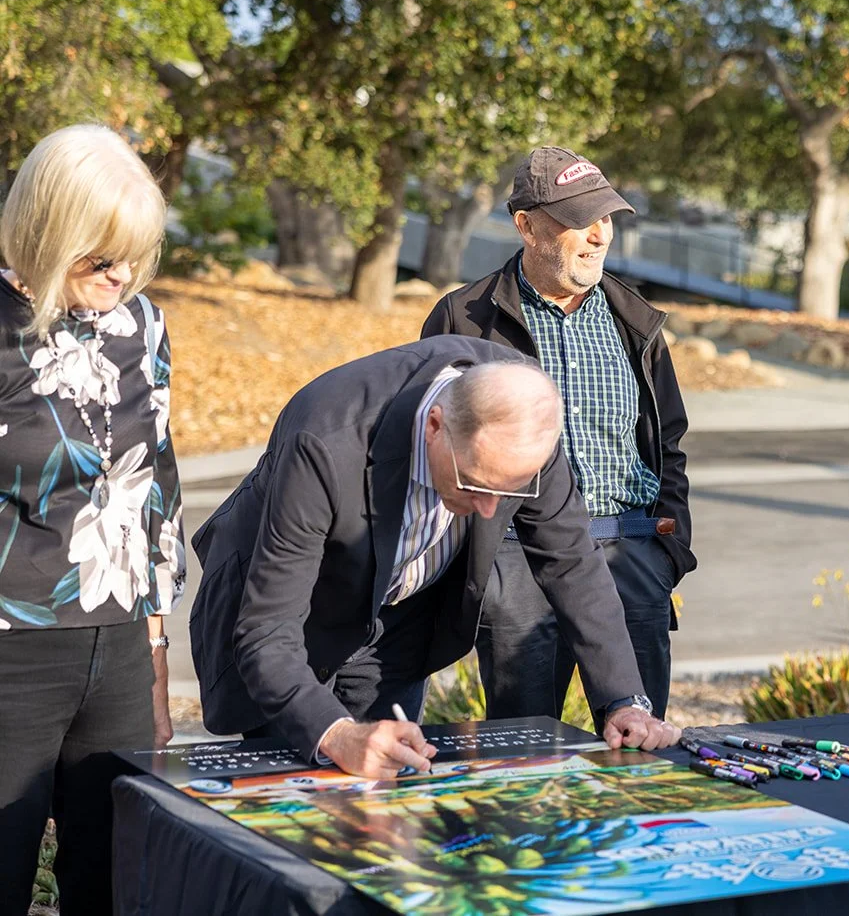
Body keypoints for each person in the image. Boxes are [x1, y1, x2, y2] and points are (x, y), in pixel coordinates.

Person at [189, 336, 679, 778]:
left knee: (390, 788)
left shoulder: (522, 427)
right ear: (436, 426)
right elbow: (269, 630)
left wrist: (624, 702)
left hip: (400, 622)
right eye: (476, 483)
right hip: (297, 614)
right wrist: (336, 734)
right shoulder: (327, 438)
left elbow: (572, 563)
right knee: (291, 794)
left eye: (507, 492)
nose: (491, 508)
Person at [421, 147, 693, 724]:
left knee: (639, 747)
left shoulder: (636, 321)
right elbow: (430, 440)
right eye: (579, 219)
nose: (598, 235)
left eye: (607, 217)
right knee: (522, 749)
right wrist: (482, 564)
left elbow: (669, 440)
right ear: (526, 226)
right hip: (516, 559)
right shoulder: (465, 316)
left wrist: (667, 551)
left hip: (630, 553)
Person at [0, 125, 185, 914]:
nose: (123, 276)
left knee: (113, 875)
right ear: (48, 233)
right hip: (10, 653)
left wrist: (153, 655)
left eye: (135, 256)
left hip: (115, 648)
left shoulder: (141, 325)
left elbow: (157, 490)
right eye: (102, 258)